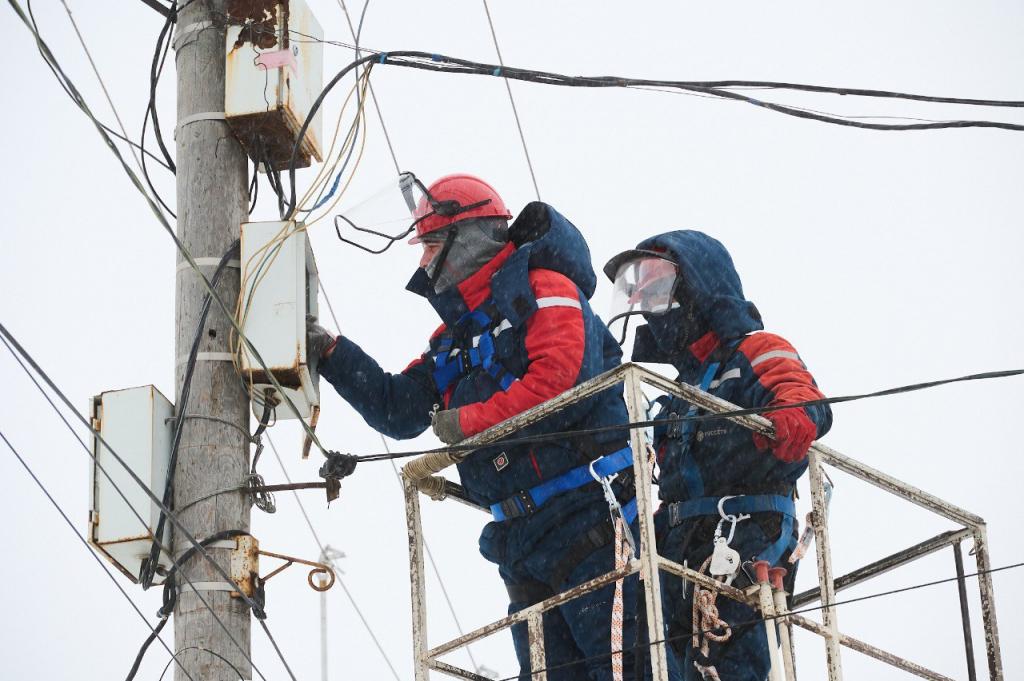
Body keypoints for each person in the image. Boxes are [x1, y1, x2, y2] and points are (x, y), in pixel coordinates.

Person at [309, 174, 681, 681]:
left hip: (593, 519)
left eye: (431, 245)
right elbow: (399, 412)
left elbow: (559, 385)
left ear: (471, 238)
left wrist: (466, 422)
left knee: (627, 671)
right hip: (522, 543)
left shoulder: (548, 290)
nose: (423, 262)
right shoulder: (453, 338)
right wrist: (331, 352)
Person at [604, 231, 833, 681]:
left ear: (697, 287)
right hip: (678, 538)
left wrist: (792, 415)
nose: (651, 306)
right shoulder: (678, 393)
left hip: (745, 531)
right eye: (643, 297)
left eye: (659, 291)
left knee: (730, 659)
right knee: (650, 659)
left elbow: (804, 399)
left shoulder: (756, 349)